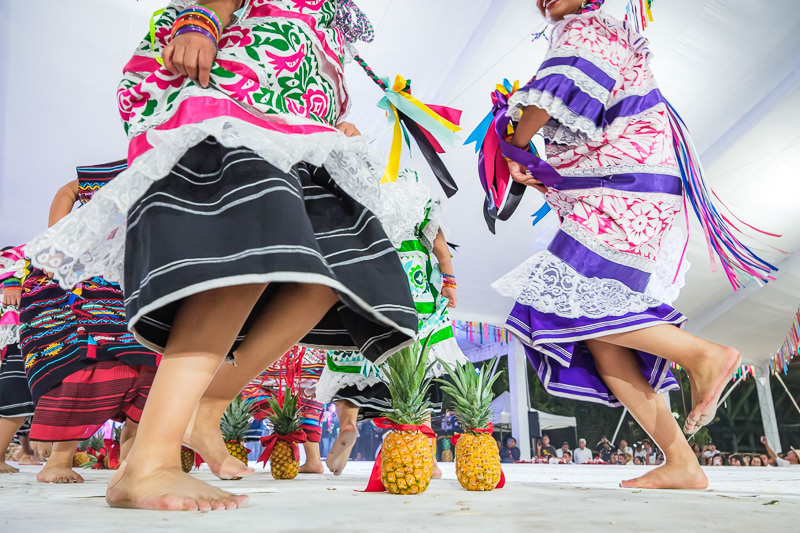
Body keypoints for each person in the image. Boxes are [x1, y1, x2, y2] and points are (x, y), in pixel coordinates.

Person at [26, 0, 419, 511]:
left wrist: (335, 116)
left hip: (301, 132)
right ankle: (150, 462)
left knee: (330, 276)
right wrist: (202, 21)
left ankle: (207, 407)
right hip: (239, 102)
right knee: (246, 256)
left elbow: (313, 54)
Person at [490, 0, 748, 490]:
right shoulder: (598, 30)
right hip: (623, 189)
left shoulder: (588, 27)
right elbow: (581, 114)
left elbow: (557, 92)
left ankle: (702, 356)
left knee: (562, 298)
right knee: (603, 335)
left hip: (624, 190)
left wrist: (516, 144)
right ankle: (682, 464)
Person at [315, 172, 466, 477]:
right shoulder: (417, 189)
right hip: (414, 286)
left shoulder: (356, 183)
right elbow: (436, 239)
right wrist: (448, 279)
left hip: (372, 278)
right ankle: (427, 455)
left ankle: (347, 426)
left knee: (354, 363)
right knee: (418, 370)